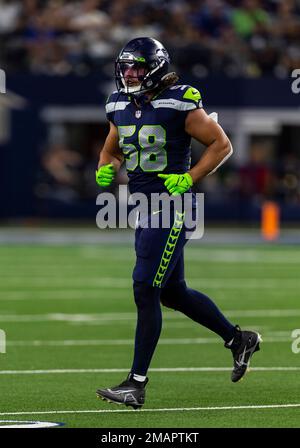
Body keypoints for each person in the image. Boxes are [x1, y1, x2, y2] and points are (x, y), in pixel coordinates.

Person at [95, 37, 261, 410]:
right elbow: (111, 147)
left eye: (137, 67)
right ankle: (239, 339)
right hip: (143, 207)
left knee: (144, 288)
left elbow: (221, 145)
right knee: (172, 292)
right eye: (125, 67)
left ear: (155, 67)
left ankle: (136, 384)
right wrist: (107, 168)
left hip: (173, 207)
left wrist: (190, 176)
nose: (130, 74)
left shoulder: (179, 100)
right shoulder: (118, 103)